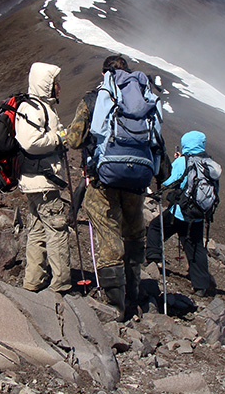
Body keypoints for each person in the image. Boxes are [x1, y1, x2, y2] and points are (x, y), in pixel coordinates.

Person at [66, 55, 168, 319]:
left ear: (104, 75)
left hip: (104, 181)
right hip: (137, 181)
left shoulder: (94, 98)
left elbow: (74, 140)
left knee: (109, 236)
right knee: (134, 234)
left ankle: (116, 305)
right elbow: (157, 142)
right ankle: (134, 296)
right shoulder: (144, 100)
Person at [15, 62, 71, 294]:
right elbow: (30, 142)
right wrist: (58, 139)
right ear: (46, 85)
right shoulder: (35, 109)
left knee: (37, 230)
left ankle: (33, 281)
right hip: (44, 181)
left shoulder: (34, 107)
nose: (59, 87)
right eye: (55, 83)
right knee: (57, 230)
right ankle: (61, 284)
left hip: (34, 181)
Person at [145, 130, 220, 296]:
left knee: (156, 227)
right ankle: (200, 286)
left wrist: (177, 161)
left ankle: (153, 258)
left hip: (179, 213)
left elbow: (168, 181)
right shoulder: (209, 165)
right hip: (198, 215)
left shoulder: (184, 161)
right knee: (195, 248)